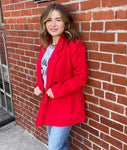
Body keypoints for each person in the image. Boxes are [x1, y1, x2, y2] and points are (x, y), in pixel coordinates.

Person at [34, 3, 88, 150]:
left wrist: (58, 90)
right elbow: (44, 71)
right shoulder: (45, 45)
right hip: (49, 102)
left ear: (65, 22)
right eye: (49, 20)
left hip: (65, 103)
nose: (53, 24)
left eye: (58, 19)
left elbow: (81, 77)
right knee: (59, 146)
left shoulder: (74, 45)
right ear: (44, 23)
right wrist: (39, 85)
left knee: (54, 147)